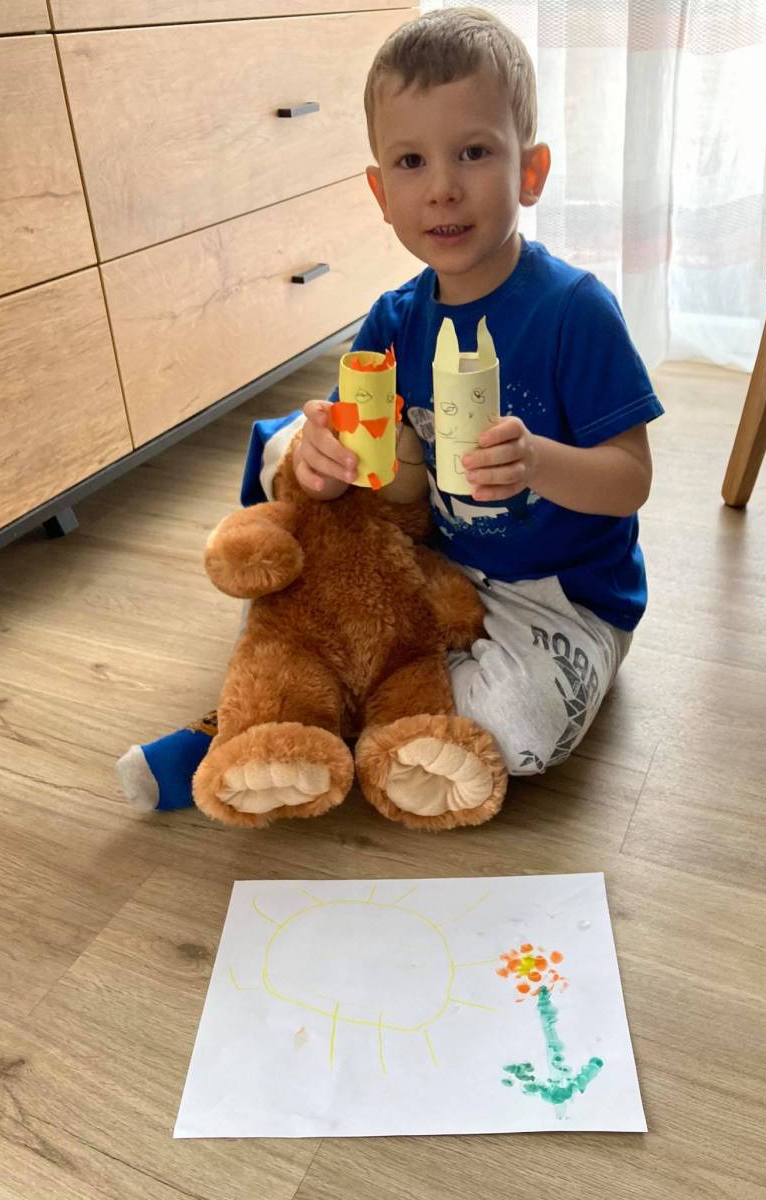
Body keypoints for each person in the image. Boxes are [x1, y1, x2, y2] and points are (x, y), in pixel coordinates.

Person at [116, 6, 662, 812]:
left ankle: (326, 712)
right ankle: (265, 712)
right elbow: (357, 478)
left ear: (531, 171)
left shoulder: (575, 311)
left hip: (559, 593)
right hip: (428, 565)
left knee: (517, 732)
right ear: (380, 192)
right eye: (411, 161)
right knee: (300, 506)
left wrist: (538, 463)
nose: (442, 186)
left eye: (474, 152)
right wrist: (322, 462)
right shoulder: (393, 321)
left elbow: (630, 479)